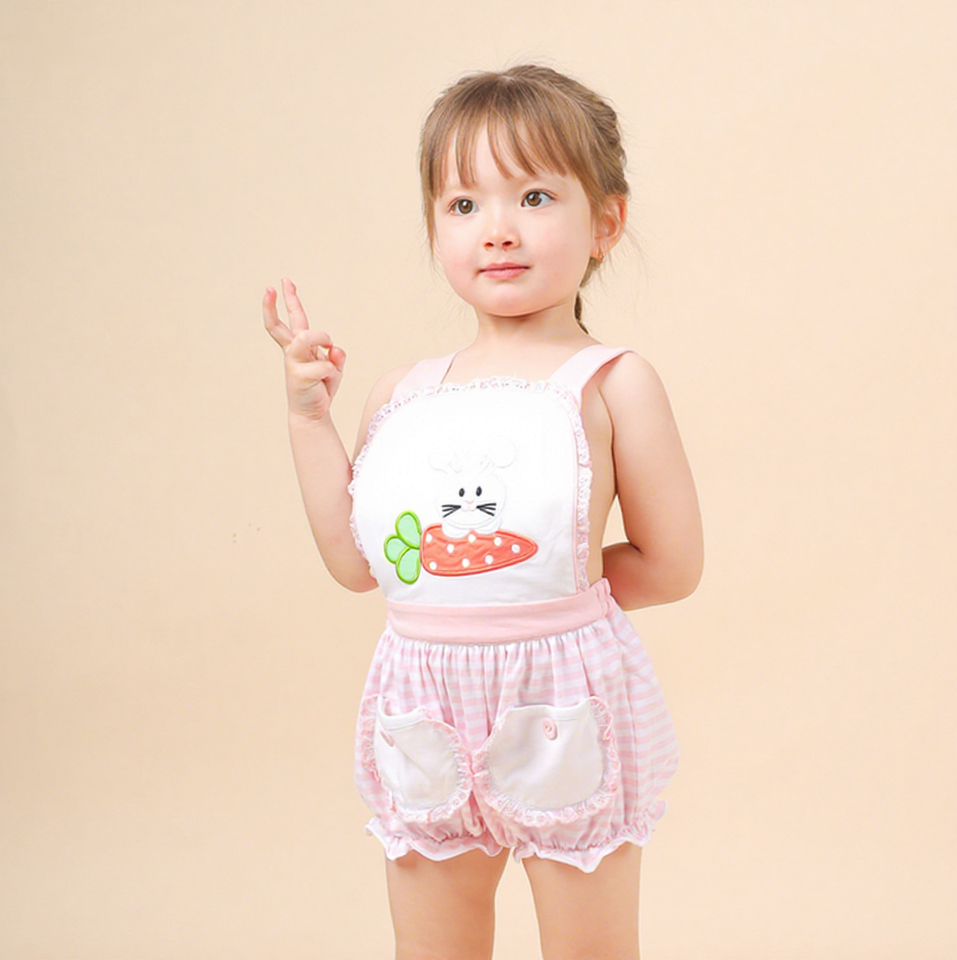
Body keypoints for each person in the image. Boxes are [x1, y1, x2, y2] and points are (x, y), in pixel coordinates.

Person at [263, 64, 702, 960]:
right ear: (435, 228)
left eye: (534, 197)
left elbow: (672, 564)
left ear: (605, 221)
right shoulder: (403, 393)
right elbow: (363, 565)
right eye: (463, 204)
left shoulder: (612, 383)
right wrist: (310, 420)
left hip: (562, 701)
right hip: (421, 703)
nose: (497, 230)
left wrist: (543, 592)